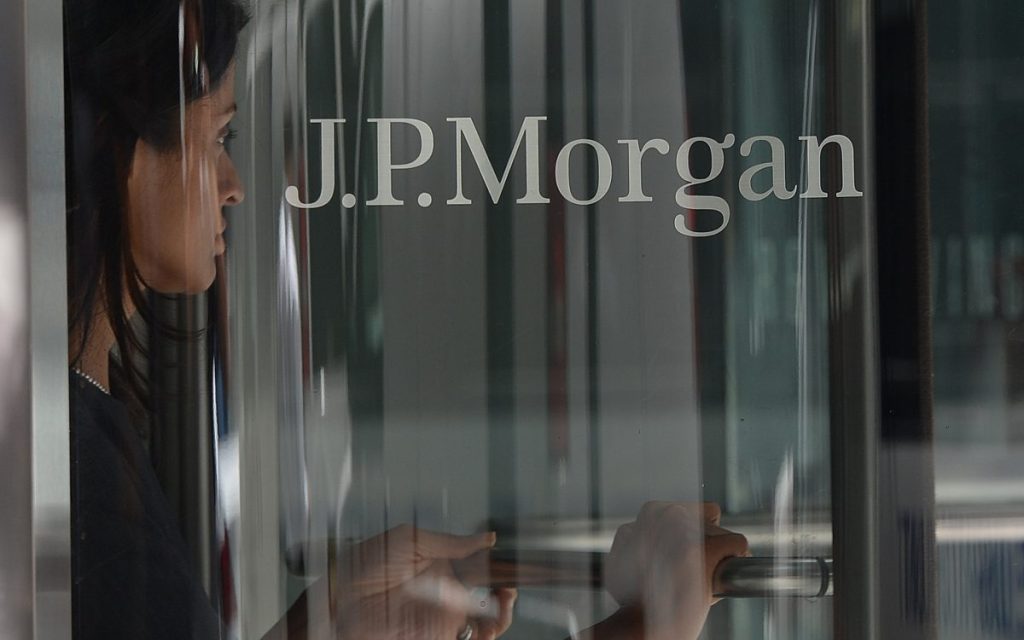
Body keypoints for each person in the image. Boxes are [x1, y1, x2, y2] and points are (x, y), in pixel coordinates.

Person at [64, 0, 748, 638]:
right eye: (219, 136)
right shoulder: (82, 469)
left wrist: (328, 622)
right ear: (115, 145)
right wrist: (649, 624)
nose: (233, 184)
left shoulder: (88, 433)